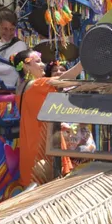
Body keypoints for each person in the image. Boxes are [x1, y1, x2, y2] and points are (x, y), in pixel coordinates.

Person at [14, 50, 82, 187]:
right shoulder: (37, 85)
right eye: (37, 62)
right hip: (44, 149)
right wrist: (84, 63)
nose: (43, 65)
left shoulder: (20, 88)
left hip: (30, 147)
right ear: (26, 67)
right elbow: (66, 79)